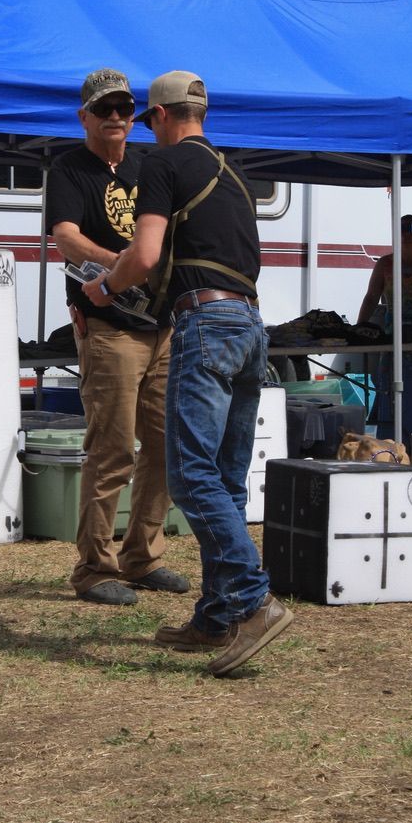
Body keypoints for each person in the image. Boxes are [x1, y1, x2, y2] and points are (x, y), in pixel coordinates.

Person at [83, 70, 293, 675]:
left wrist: (106, 287)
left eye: (148, 120)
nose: (148, 130)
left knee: (191, 474)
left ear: (163, 117)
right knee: (225, 480)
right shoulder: (233, 173)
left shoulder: (163, 166)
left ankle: (253, 602)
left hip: (204, 325)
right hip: (252, 328)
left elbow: (145, 256)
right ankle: (216, 615)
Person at [46, 67, 190, 605]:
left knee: (162, 446)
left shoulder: (150, 165)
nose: (115, 118)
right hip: (108, 327)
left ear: (136, 118)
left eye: (124, 109)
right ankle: (94, 567)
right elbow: (65, 238)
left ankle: (142, 557)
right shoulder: (68, 168)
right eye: (103, 109)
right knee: (111, 450)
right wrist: (126, 264)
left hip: (161, 326)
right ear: (83, 115)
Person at [357, 213, 412, 443]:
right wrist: (358, 330)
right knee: (390, 399)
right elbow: (371, 297)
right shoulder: (385, 264)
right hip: (392, 340)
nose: (407, 234)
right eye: (402, 229)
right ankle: (390, 450)